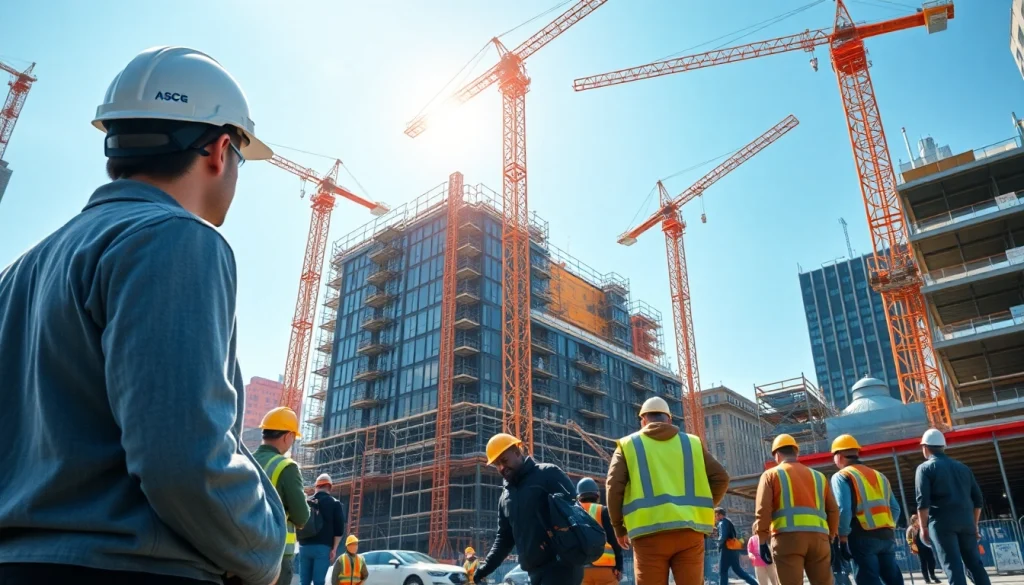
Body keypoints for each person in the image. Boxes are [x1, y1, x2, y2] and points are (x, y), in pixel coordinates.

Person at [0, 46, 283, 585]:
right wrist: (264, 551)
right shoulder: (177, 239)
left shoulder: (21, 270)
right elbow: (184, 458)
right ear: (221, 150)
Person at [606, 396, 730, 585]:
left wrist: (618, 527)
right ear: (669, 419)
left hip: (648, 534)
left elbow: (613, 487)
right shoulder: (692, 444)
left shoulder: (628, 445)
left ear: (643, 421)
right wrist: (700, 509)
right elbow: (721, 478)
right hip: (689, 531)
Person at [472, 433, 581, 585]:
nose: (502, 468)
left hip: (561, 567)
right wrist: (484, 569)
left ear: (517, 452)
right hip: (533, 572)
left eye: (504, 460)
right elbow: (504, 539)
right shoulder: (505, 497)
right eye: (497, 464)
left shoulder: (547, 474)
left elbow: (576, 512)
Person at [754, 434, 839, 585]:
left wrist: (761, 540)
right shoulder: (818, 477)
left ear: (777, 455)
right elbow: (833, 510)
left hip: (787, 539)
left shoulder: (770, 475)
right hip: (820, 539)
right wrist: (831, 537)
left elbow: (763, 510)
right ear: (796, 453)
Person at [915, 429, 989, 585]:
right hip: (967, 522)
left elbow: (923, 501)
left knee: (952, 566)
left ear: (926, 447)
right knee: (975, 564)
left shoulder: (924, 468)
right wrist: (974, 525)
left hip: (942, 524)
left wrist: (923, 527)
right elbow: (978, 499)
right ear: (943, 446)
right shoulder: (963, 468)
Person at [830, 434, 903, 585]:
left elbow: (844, 509)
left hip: (861, 536)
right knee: (893, 579)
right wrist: (887, 525)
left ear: (840, 455)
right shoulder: (879, 475)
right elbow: (895, 509)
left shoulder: (842, 476)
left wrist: (842, 537)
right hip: (886, 536)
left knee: (868, 580)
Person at [253, 406, 311, 585]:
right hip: (276, 554)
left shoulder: (244, 459)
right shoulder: (287, 467)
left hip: (243, 550)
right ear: (288, 436)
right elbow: (302, 516)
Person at [299, 473, 348, 585]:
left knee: (304, 581)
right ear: (329, 487)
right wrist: (334, 549)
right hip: (323, 547)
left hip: (304, 546)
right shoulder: (335, 503)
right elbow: (339, 529)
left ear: (316, 487)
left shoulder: (307, 502)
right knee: (319, 581)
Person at [577, 477, 624, 585]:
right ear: (597, 496)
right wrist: (619, 566)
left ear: (578, 497)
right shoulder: (603, 511)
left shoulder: (573, 512)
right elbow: (614, 540)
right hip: (605, 569)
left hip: (582, 571)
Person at [715, 508, 758, 585]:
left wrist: (718, 544)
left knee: (723, 571)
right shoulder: (729, 522)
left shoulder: (722, 523)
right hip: (734, 550)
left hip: (726, 550)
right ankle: (754, 583)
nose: (715, 517)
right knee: (738, 570)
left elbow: (723, 536)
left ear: (720, 514)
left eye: (716, 515)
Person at [907, 514, 941, 583]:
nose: (918, 519)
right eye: (916, 518)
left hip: (926, 545)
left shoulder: (923, 527)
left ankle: (932, 575)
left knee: (932, 561)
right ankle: (926, 579)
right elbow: (909, 538)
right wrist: (912, 546)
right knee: (923, 563)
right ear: (913, 520)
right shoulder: (911, 528)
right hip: (918, 547)